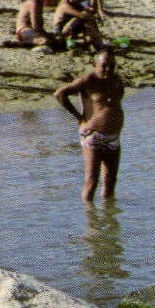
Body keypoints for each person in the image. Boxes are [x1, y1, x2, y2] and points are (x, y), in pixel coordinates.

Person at [55, 48, 125, 203]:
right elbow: (60, 94)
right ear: (94, 63)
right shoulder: (87, 81)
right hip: (93, 136)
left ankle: (109, 221)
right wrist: (78, 117)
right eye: (104, 65)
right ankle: (90, 221)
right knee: (92, 181)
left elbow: (117, 99)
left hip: (113, 137)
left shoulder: (116, 80)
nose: (108, 69)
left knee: (110, 182)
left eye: (111, 66)